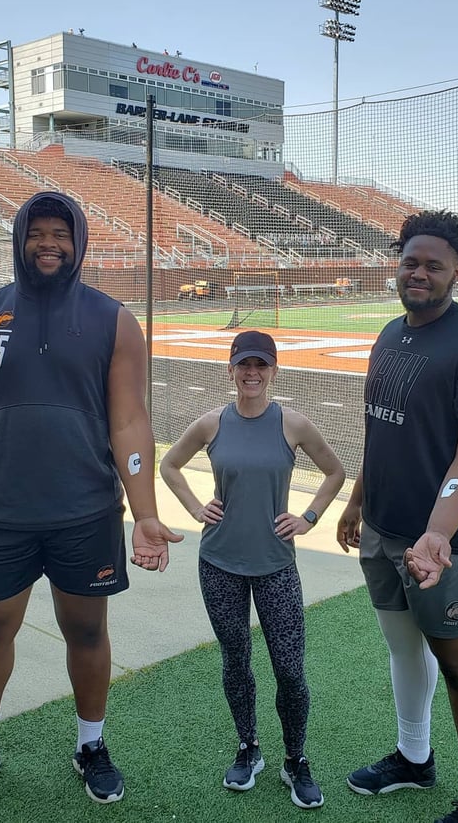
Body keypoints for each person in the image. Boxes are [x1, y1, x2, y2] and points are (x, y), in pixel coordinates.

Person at [0, 191, 183, 808]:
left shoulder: (113, 320)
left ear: (78, 243)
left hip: (85, 512)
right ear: (19, 239)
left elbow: (129, 421)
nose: (48, 244)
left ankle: (91, 745)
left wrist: (145, 512)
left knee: (86, 630)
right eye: (36, 232)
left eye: (60, 235)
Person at [337, 210, 458, 823]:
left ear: (457, 271)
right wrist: (358, 500)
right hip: (385, 528)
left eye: (433, 265)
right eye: (410, 262)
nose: (418, 273)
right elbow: (381, 431)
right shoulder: (391, 334)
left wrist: (437, 530)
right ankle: (414, 759)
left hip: (454, 543)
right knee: (403, 650)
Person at [160, 330, 345, 810]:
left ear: (274, 371)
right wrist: (195, 507)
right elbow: (170, 465)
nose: (252, 373)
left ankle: (295, 759)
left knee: (290, 669)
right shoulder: (211, 424)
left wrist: (308, 517)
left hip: (275, 566)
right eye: (244, 364)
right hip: (219, 563)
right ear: (231, 369)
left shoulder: (293, 424)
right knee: (236, 660)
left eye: (261, 365)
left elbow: (335, 472)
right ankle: (248, 747)